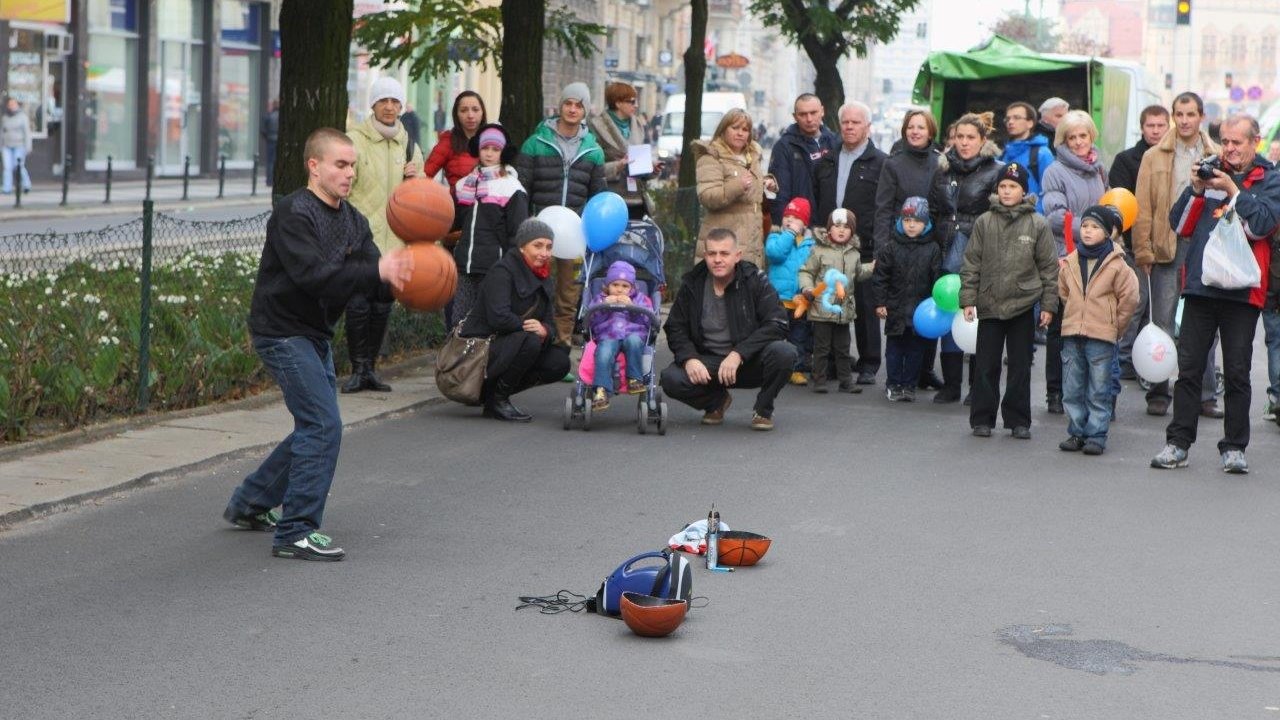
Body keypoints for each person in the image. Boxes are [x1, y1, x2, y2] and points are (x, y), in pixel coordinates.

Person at [222, 128, 413, 561]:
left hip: (314, 334)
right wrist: (377, 272)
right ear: (315, 166)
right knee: (322, 426)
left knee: (315, 426)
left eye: (352, 166)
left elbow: (369, 280)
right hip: (281, 331)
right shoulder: (294, 213)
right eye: (340, 165)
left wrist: (406, 279)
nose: (349, 174)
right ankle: (295, 532)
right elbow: (315, 276)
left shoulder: (353, 221)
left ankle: (250, 503)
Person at [1150, 114, 1279, 474]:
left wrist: (1235, 191)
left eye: (1238, 142)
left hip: (1243, 292)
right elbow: (1180, 225)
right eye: (1225, 141)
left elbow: (1264, 225)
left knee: (1237, 372)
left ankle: (1235, 447)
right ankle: (1178, 443)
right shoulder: (1208, 172)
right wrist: (1195, 189)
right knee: (1189, 369)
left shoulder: (1269, 178)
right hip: (1202, 288)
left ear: (1256, 142)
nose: (1230, 149)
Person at [1133, 92, 1222, 418]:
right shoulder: (1155, 156)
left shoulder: (1217, 154)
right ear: (1174, 117)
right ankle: (1158, 390)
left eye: (1191, 114)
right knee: (1162, 322)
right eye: (1179, 114)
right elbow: (1142, 206)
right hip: (1166, 246)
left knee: (1204, 325)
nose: (1185, 120)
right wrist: (1143, 249)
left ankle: (1206, 395)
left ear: (1200, 116)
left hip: (1205, 248)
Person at [660, 227, 796, 431]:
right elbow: (675, 327)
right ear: (705, 256)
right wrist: (689, 359)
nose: (717, 259)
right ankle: (716, 402)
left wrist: (739, 354)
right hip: (709, 363)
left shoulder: (754, 280)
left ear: (737, 256)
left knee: (785, 353)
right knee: (671, 379)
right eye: (712, 253)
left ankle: (763, 409)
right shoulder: (692, 283)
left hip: (748, 361)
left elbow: (778, 323)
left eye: (724, 253)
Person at [960, 162, 1059, 439]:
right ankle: (982, 418)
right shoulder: (984, 222)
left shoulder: (1037, 224)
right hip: (990, 304)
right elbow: (971, 263)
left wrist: (1048, 306)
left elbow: (1049, 268)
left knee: (1019, 366)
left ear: (1024, 191)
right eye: (1002, 186)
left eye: (1013, 186)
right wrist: (968, 299)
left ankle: (1018, 420)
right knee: (986, 365)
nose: (1006, 191)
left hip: (1023, 305)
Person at [340, 77, 424, 395]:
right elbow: (344, 187)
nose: (389, 107)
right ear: (373, 105)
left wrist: (417, 178)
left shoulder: (409, 144)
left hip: (396, 240)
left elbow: (424, 194)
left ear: (401, 107)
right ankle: (358, 369)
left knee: (382, 305)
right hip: (362, 237)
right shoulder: (355, 141)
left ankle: (371, 369)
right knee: (358, 304)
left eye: (395, 101)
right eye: (383, 101)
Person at [515, 82, 607, 347]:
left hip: (575, 234)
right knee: (534, 291)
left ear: (585, 111)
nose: (572, 109)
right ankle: (530, 348)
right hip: (539, 231)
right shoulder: (535, 143)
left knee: (568, 294)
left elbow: (597, 195)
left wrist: (593, 232)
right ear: (560, 106)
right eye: (568, 103)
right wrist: (525, 227)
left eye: (579, 105)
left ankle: (561, 347)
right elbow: (522, 188)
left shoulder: (594, 150)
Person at [461, 218, 572, 422]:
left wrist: (545, 330)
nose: (544, 253)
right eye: (537, 245)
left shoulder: (544, 277)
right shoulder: (502, 272)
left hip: (516, 343)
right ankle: (498, 400)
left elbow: (550, 322)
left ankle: (492, 396)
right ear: (522, 247)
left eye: (549, 247)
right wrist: (528, 328)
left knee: (559, 362)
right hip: (483, 347)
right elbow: (498, 317)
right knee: (529, 341)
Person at [929, 112, 1004, 404]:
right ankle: (950, 385)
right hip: (945, 250)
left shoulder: (996, 170)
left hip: (979, 252)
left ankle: (977, 386)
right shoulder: (942, 170)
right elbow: (935, 209)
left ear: (983, 140)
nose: (964, 142)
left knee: (976, 319)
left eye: (970, 137)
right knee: (949, 316)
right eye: (959, 137)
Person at [814, 101, 888, 386]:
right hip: (830, 245)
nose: (849, 127)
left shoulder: (881, 163)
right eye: (845, 122)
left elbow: (884, 207)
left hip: (865, 244)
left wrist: (880, 246)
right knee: (831, 301)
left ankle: (869, 363)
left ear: (868, 127)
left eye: (856, 122)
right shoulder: (827, 160)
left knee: (867, 306)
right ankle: (834, 361)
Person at [1057, 205, 1140, 455]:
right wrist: (1074, 314)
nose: (1088, 232)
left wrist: (1115, 326)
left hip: (1102, 335)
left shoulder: (1117, 264)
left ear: (1107, 232)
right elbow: (1064, 292)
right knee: (1072, 387)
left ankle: (1096, 434)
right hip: (1073, 333)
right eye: (1084, 226)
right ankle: (1076, 432)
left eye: (1095, 227)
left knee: (1098, 388)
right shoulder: (1071, 261)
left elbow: (1130, 298)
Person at [1040, 110, 1107, 415]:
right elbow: (1055, 217)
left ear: (1091, 136)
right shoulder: (1055, 170)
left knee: (1091, 327)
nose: (1079, 142)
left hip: (1098, 259)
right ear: (1063, 140)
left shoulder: (1099, 169)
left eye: (1083, 135)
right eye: (1072, 137)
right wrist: (1096, 228)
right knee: (1061, 328)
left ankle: (1086, 391)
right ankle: (1055, 391)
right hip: (1065, 258)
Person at [875, 109, 943, 390]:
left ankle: (923, 370)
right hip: (899, 242)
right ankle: (899, 377)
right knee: (901, 315)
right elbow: (883, 207)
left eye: (921, 127)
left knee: (929, 306)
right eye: (911, 127)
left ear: (930, 132)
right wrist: (882, 246)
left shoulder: (940, 162)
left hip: (930, 242)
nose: (915, 131)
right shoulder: (893, 164)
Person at [1110, 105, 1170, 379]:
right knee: (1136, 302)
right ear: (1142, 127)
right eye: (1151, 125)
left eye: (1160, 125)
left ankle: (1151, 358)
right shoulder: (1125, 160)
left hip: (1167, 244)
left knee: (1160, 308)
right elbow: (1123, 204)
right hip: (1135, 243)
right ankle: (1124, 358)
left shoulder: (1171, 158)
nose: (1156, 130)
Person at [451, 123, 529, 325]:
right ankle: (458, 356)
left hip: (494, 266)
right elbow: (453, 222)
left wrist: (511, 267)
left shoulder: (511, 187)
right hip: (464, 265)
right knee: (459, 319)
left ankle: (486, 357)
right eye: (485, 148)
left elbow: (518, 233)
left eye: (495, 149)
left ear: (503, 152)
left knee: (487, 320)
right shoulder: (464, 184)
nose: (489, 154)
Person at [872, 197, 942, 402]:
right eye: (907, 220)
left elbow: (936, 280)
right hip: (895, 309)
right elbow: (880, 278)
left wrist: (934, 306)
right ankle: (893, 384)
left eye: (917, 221)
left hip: (921, 312)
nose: (911, 225)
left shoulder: (933, 249)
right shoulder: (890, 247)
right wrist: (880, 303)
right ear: (900, 221)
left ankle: (909, 385)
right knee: (894, 350)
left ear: (926, 223)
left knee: (915, 352)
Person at [798, 208, 874, 394]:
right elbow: (806, 272)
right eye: (837, 226)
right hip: (822, 309)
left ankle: (846, 381)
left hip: (843, 310)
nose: (841, 230)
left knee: (843, 348)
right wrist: (807, 288)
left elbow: (858, 274)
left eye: (846, 227)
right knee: (822, 348)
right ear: (829, 229)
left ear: (852, 231)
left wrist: (872, 268)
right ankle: (820, 379)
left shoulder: (854, 253)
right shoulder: (818, 250)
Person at [692, 108, 778, 268]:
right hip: (723, 243)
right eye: (735, 128)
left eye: (745, 129)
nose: (740, 133)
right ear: (723, 130)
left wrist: (766, 183)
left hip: (752, 242)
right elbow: (708, 196)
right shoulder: (711, 157)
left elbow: (750, 185)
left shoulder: (752, 157)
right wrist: (737, 186)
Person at [588, 260, 655, 410]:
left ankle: (634, 379)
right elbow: (591, 321)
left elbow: (648, 321)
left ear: (632, 287)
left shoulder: (640, 299)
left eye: (625, 286)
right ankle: (601, 390)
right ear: (607, 285)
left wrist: (632, 307)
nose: (620, 290)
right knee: (604, 352)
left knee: (634, 342)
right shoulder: (599, 299)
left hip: (632, 333)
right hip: (608, 335)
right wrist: (604, 306)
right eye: (615, 285)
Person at [763, 197, 816, 385]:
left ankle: (796, 368)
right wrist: (790, 233)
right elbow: (775, 254)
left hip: (800, 301)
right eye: (787, 216)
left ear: (805, 223)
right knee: (774, 335)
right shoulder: (776, 236)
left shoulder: (811, 245)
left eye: (795, 218)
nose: (789, 221)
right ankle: (770, 367)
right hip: (778, 300)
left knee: (799, 337)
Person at [768, 93, 839, 226]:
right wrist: (784, 230)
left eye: (813, 112)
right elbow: (779, 195)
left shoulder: (835, 143)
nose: (809, 119)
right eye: (803, 114)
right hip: (798, 226)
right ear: (795, 117)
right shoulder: (784, 147)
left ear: (822, 111)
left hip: (831, 226)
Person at [588, 82, 652, 220]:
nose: (636, 105)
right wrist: (617, 166)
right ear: (617, 103)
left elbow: (642, 161)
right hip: (610, 199)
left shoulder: (639, 125)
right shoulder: (596, 126)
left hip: (637, 200)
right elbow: (590, 168)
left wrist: (652, 168)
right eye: (632, 101)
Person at [424, 91, 486, 205]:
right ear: (456, 114)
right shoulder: (448, 141)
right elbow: (424, 176)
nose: (470, 115)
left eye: (475, 109)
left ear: (482, 112)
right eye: (464, 110)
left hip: (492, 212)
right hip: (460, 211)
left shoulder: (493, 139)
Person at [1000, 101, 1055, 201]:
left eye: (1016, 118)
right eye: (1007, 119)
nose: (1010, 122)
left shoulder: (1042, 154)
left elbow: (1051, 193)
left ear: (1030, 123)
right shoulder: (1002, 154)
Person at [2, 98, 33, 195]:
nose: (11, 106)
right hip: (6, 145)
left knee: (18, 165)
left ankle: (26, 185)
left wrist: (28, 146)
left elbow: (27, 133)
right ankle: (7, 188)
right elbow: (2, 132)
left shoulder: (22, 117)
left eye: (13, 104)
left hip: (19, 145)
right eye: (9, 104)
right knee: (7, 167)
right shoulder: (5, 117)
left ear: (17, 105)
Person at [260, 99, 279, 187]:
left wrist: (267, 137)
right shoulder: (282, 116)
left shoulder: (269, 116)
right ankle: (275, 180)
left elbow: (263, 130)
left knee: (270, 162)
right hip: (278, 141)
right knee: (276, 161)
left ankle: (269, 181)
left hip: (270, 140)